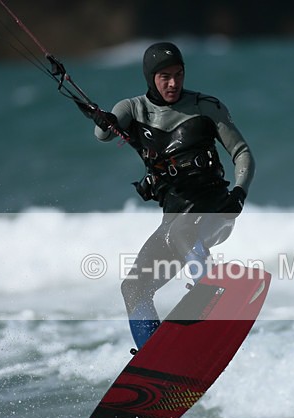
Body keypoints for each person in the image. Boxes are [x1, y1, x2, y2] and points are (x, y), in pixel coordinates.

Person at [77, 42, 255, 351]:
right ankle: (154, 356)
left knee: (182, 230)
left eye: (178, 74)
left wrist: (238, 194)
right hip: (175, 219)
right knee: (133, 287)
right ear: (150, 77)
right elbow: (103, 135)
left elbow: (242, 153)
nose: (173, 83)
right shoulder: (132, 109)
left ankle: (210, 286)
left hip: (215, 207)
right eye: (164, 77)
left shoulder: (205, 107)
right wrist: (103, 121)